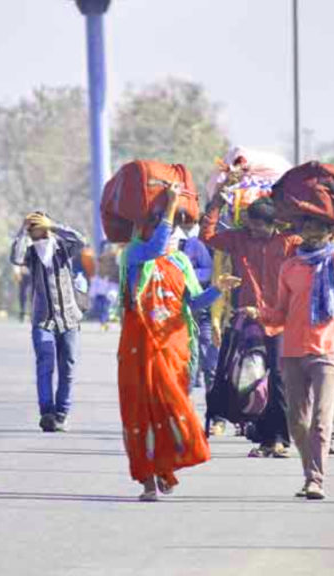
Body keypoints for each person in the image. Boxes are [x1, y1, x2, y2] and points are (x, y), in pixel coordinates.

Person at [242, 177, 334, 500]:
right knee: (296, 423)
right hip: (292, 353)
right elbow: (280, 313)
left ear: (331, 233)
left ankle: (315, 479)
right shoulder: (290, 267)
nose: (313, 232)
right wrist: (259, 313)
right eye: (308, 227)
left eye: (319, 228)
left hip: (327, 352)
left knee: (320, 420)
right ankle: (309, 472)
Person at [118, 183, 240, 501]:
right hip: (140, 345)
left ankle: (165, 468)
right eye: (163, 224)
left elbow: (194, 303)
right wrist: (170, 204)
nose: (170, 232)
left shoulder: (181, 262)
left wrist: (217, 288)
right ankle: (148, 480)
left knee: (171, 408)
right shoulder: (134, 255)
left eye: (172, 226)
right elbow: (156, 248)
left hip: (175, 347)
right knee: (141, 413)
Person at [201, 193, 302, 458]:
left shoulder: (289, 242)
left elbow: (316, 245)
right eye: (251, 224)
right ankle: (265, 439)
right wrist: (216, 204)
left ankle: (280, 438)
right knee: (254, 379)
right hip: (248, 321)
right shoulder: (238, 238)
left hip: (279, 322)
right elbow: (207, 236)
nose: (254, 230)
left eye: (259, 226)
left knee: (277, 379)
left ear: (273, 224)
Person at [10, 212, 86, 433]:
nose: (38, 229)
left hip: (70, 318)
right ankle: (47, 414)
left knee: (67, 365)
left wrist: (53, 226)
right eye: (33, 226)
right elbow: (15, 257)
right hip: (43, 320)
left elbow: (81, 241)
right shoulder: (31, 253)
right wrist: (22, 230)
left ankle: (61, 413)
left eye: (39, 224)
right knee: (45, 364)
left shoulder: (63, 247)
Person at [177, 213, 216, 391]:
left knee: (207, 346)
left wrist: (187, 274)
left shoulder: (196, 242)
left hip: (205, 302)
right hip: (186, 303)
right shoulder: (192, 241)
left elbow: (207, 270)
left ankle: (210, 390)